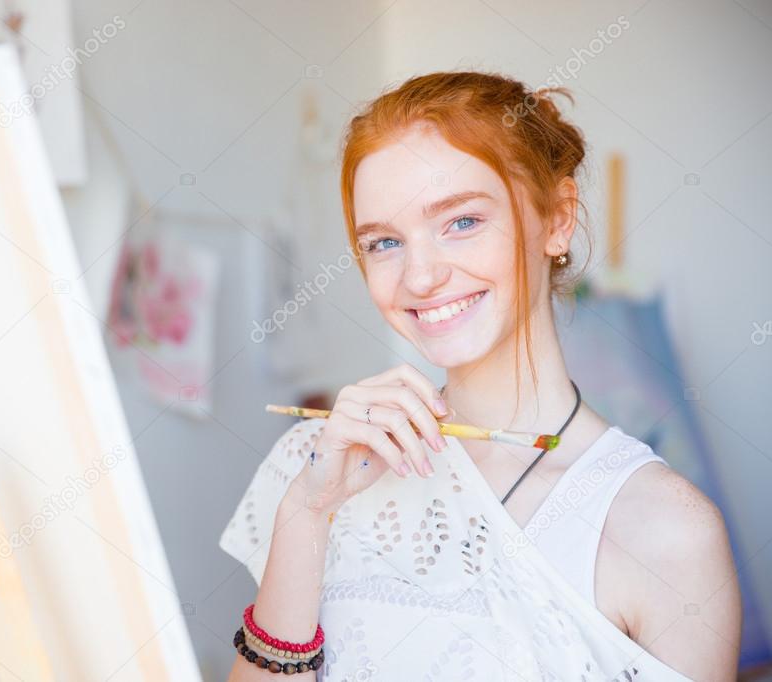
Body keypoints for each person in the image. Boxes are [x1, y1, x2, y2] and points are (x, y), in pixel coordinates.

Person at [221, 71, 741, 680]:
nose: (419, 277)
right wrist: (308, 512)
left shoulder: (668, 529)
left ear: (557, 218)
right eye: (384, 242)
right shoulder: (314, 469)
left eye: (461, 222)